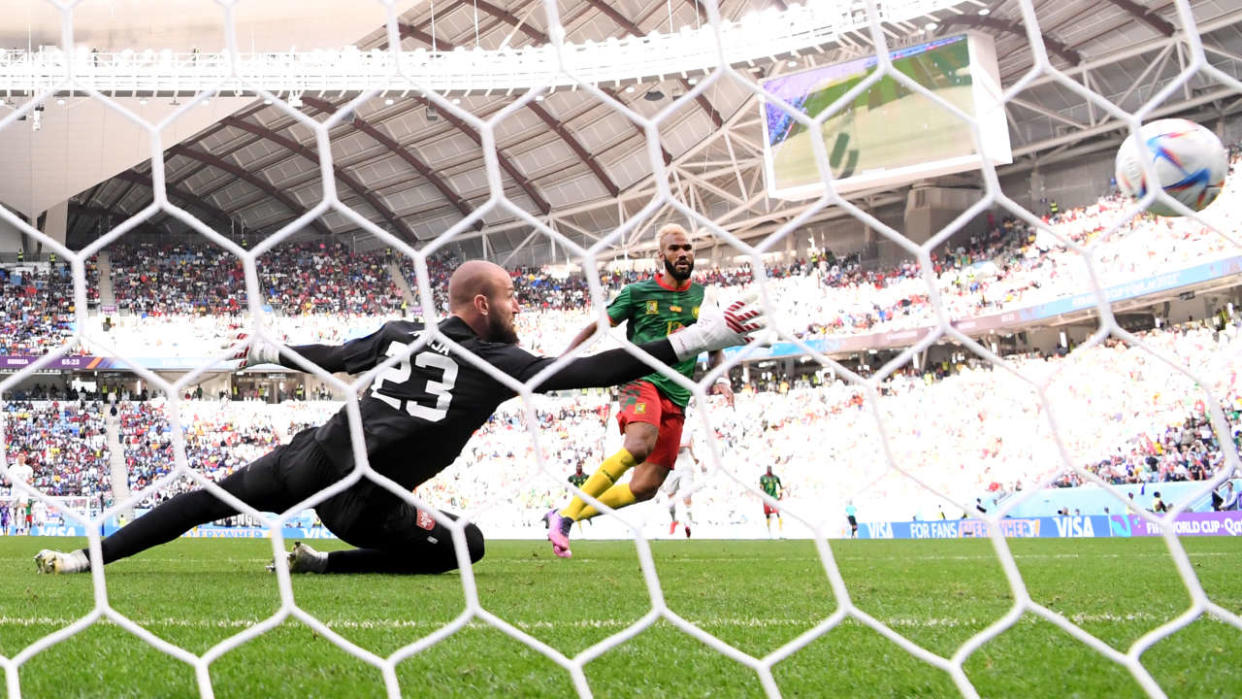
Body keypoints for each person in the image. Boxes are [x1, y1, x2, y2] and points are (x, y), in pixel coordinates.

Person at [35, 260, 765, 575]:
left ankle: (84, 560)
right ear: (480, 307)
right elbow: (597, 369)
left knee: (205, 499)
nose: (517, 309)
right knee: (467, 545)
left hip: (312, 459)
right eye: (511, 299)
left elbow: (337, 353)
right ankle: (329, 564)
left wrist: (269, 348)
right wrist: (708, 334)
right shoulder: (496, 363)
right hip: (368, 507)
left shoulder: (397, 332)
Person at [544, 224, 732, 558]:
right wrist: (563, 360)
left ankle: (563, 514)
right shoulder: (637, 293)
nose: (684, 254)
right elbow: (596, 327)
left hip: (677, 395)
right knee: (638, 445)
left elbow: (715, 343)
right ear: (661, 256)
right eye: (675, 248)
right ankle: (567, 521)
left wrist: (722, 379)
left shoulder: (704, 297)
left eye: (688, 247)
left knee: (644, 488)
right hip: (640, 381)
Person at [660, 425, 705, 538]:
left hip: (685, 468)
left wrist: (695, 457)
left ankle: (689, 523)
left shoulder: (686, 430)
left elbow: (686, 446)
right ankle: (674, 521)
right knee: (670, 496)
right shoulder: (666, 428)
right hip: (671, 468)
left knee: (687, 495)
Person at [6, 454, 33, 536]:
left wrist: (29, 482)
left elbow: (31, 480)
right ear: (17, 458)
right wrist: (7, 481)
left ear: (25, 459)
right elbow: (8, 478)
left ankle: (22, 529)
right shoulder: (13, 467)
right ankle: (17, 528)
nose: (21, 458)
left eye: (23, 457)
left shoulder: (29, 469)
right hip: (15, 491)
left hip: (24, 491)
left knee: (22, 509)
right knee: (15, 511)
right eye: (20, 457)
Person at [760, 466, 784, 536]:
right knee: (767, 514)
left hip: (774, 497)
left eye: (770, 468)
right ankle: (768, 531)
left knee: (777, 513)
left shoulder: (776, 477)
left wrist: (781, 495)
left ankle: (781, 530)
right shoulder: (762, 478)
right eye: (768, 468)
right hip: (766, 498)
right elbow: (761, 487)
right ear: (766, 469)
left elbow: (781, 486)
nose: (769, 470)